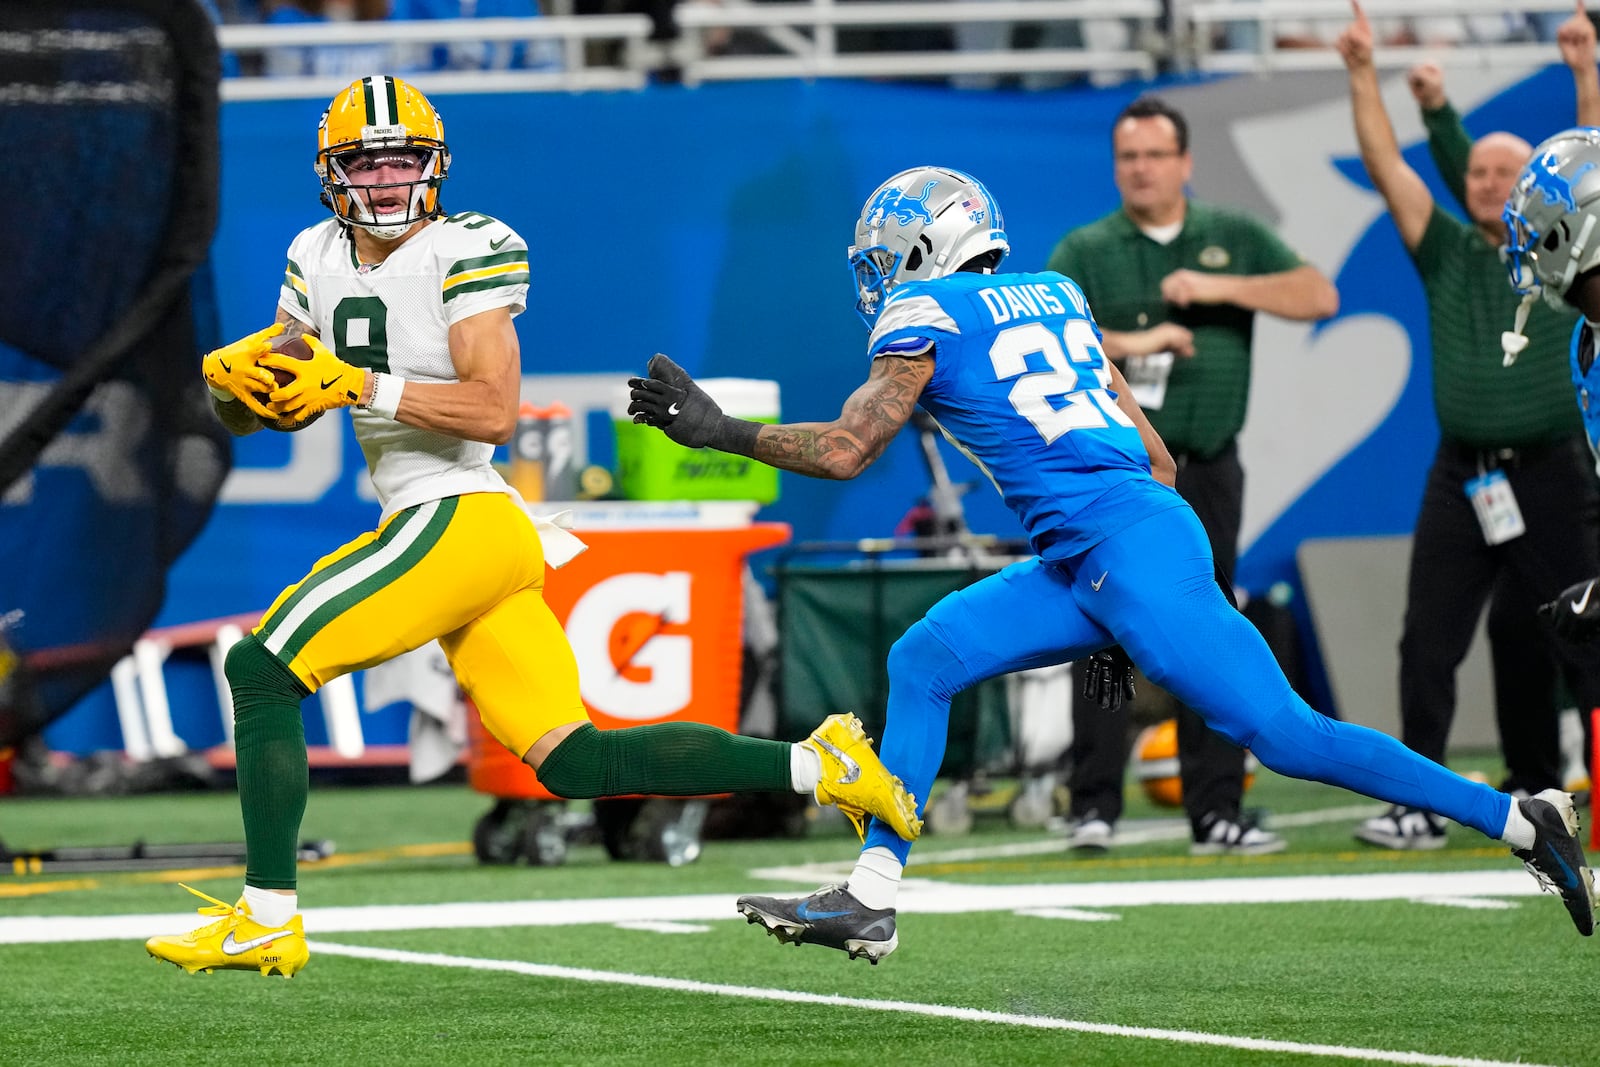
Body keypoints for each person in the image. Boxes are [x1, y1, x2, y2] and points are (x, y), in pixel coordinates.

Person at [626, 165, 1597, 962]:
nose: (881, 276)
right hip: (1112, 548)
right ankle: (871, 894)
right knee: (925, 656)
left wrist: (719, 428)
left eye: (887, 257)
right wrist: (1108, 611)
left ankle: (1519, 819)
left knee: (1289, 735)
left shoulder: (926, 313)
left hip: (1118, 555)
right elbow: (1159, 459)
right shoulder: (1054, 293)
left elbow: (846, 449)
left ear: (924, 251)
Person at [144, 75, 921, 979]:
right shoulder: (312, 252)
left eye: (402, 160)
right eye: (367, 161)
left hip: (460, 512)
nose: (387, 179)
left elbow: (494, 408)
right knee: (576, 762)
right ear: (333, 171)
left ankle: (266, 915)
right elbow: (273, 399)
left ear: (433, 168)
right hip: (452, 531)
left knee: (263, 665)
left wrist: (359, 384)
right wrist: (231, 392)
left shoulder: (465, 247)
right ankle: (819, 767)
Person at [1043, 94, 1339, 857]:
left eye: (1153, 155)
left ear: (1185, 163)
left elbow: (1318, 294)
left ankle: (1215, 809)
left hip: (1207, 468)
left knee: (1210, 630)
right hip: (1114, 473)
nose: (1140, 170)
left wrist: (1219, 290)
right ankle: (1093, 804)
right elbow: (1046, 333)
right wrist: (1144, 336)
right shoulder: (1089, 246)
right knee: (1102, 631)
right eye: (1127, 157)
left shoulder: (1228, 237)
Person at [1337, 0, 1600, 851]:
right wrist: (1358, 73)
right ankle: (1418, 799)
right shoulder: (1449, 251)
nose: (1489, 182)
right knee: (1429, 638)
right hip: (1466, 472)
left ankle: (1549, 792)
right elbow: (1386, 164)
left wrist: (1585, 73)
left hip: (1555, 471)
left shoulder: (1570, 270)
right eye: (1478, 170)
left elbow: (1590, 168)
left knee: (1569, 633)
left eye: (1507, 172)